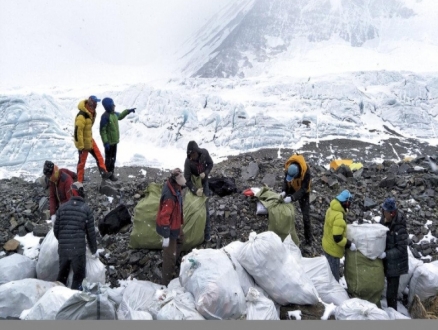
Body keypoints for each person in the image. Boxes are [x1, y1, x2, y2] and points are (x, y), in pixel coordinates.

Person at [54, 181, 98, 290]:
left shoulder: (62, 208)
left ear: (72, 193)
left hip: (63, 250)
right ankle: (74, 300)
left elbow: (56, 230)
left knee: (62, 278)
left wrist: (64, 241)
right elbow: (90, 234)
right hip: (78, 251)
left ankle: (58, 300)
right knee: (78, 279)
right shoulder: (86, 209)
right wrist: (94, 250)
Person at [156, 168, 186, 286]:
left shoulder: (175, 188)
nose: (181, 186)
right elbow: (164, 218)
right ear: (174, 182)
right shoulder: (170, 197)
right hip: (169, 227)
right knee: (169, 257)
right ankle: (166, 283)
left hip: (175, 224)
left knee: (181, 239)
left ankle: (175, 256)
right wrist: (166, 235)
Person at [379, 197, 409, 311]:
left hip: (396, 264)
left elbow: (401, 248)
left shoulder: (399, 226)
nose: (383, 214)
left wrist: (386, 254)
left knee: (391, 295)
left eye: (385, 212)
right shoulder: (385, 219)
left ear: (392, 213)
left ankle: (393, 314)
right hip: (388, 261)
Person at [74, 95, 112, 182]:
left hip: (90, 139)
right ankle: (79, 183)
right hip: (83, 143)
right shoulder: (82, 116)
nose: (96, 104)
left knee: (99, 156)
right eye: (95, 103)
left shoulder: (91, 113)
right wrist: (80, 146)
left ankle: (104, 173)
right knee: (81, 164)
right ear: (92, 103)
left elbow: (88, 127)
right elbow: (77, 132)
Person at [321, 189, 356, 282]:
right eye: (349, 203)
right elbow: (338, 238)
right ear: (345, 202)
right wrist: (349, 244)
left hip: (326, 245)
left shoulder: (331, 209)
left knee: (328, 272)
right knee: (333, 278)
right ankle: (333, 293)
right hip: (333, 250)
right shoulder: (339, 216)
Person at [99, 97, 136, 181]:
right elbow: (102, 131)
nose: (114, 106)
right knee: (108, 159)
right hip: (109, 143)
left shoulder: (114, 114)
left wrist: (128, 111)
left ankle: (111, 173)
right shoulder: (105, 117)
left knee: (113, 158)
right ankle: (106, 175)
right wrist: (105, 142)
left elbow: (120, 116)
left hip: (114, 142)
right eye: (112, 105)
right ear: (108, 106)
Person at [183, 141, 214, 242]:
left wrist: (205, 173)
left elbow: (210, 164)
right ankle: (194, 233)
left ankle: (207, 235)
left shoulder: (204, 153)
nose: (192, 157)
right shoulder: (188, 162)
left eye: (193, 154)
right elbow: (186, 180)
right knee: (193, 207)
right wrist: (195, 190)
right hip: (194, 184)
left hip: (204, 183)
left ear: (197, 152)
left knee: (205, 207)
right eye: (190, 155)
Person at [281, 153, 313, 246]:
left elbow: (303, 189)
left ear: (298, 173)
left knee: (306, 217)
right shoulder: (289, 167)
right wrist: (284, 191)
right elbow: (286, 181)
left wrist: (292, 197)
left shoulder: (306, 172)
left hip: (304, 192)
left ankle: (308, 240)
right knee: (282, 204)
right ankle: (284, 231)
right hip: (292, 186)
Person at [43, 160, 76, 225]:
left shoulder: (67, 180)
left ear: (53, 172)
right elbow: (52, 197)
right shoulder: (52, 179)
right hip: (62, 205)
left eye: (49, 176)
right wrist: (53, 214)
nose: (48, 178)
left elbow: (71, 201)